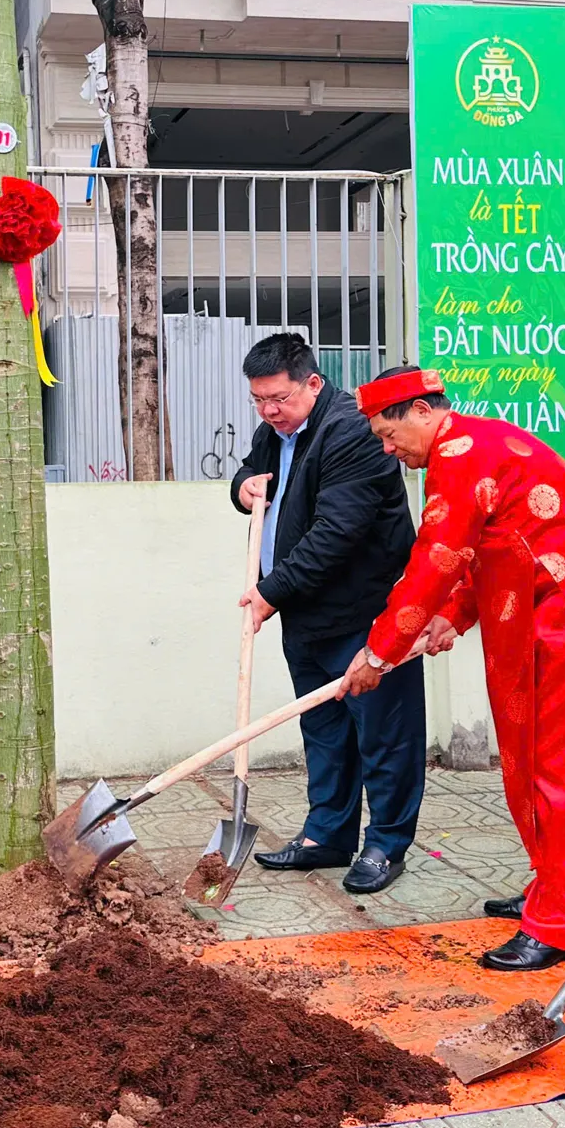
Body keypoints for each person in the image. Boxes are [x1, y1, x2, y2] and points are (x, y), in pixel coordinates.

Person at [338, 367, 565, 969]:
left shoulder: (462, 453)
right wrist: (450, 617)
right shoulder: (467, 447)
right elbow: (497, 546)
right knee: (536, 761)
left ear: (422, 411)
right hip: (539, 621)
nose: (390, 452)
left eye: (389, 437)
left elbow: (438, 559)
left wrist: (379, 653)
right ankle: (553, 889)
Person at [229, 333, 425, 894]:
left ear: (313, 383)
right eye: (259, 401)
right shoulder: (277, 429)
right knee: (324, 729)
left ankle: (386, 844)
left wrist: (271, 592)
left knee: (385, 732)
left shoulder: (352, 431)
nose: (269, 411)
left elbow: (338, 532)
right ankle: (328, 835)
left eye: (280, 399)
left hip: (365, 609)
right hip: (306, 611)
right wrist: (244, 488)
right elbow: (246, 477)